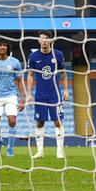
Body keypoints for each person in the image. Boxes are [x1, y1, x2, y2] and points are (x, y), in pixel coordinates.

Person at [27, 30, 68, 159]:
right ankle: (40, 151)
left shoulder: (58, 55)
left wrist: (66, 90)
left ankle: (60, 151)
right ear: (38, 41)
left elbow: (64, 73)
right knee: (40, 122)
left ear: (50, 40)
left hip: (55, 94)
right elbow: (30, 75)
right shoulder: (33, 57)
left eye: (46, 38)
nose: (44, 41)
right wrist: (28, 93)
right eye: (42, 39)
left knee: (58, 122)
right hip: (40, 95)